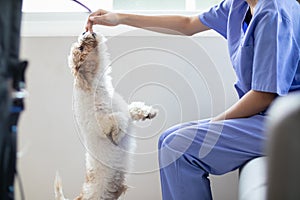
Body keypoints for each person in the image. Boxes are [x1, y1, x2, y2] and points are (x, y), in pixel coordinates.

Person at [85, 0, 300, 199]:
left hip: (286, 124)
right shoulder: (239, 6)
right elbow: (188, 24)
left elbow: (264, 95)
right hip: (263, 118)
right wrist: (119, 18)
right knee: (168, 139)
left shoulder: (274, 13)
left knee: (177, 145)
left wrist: (215, 122)